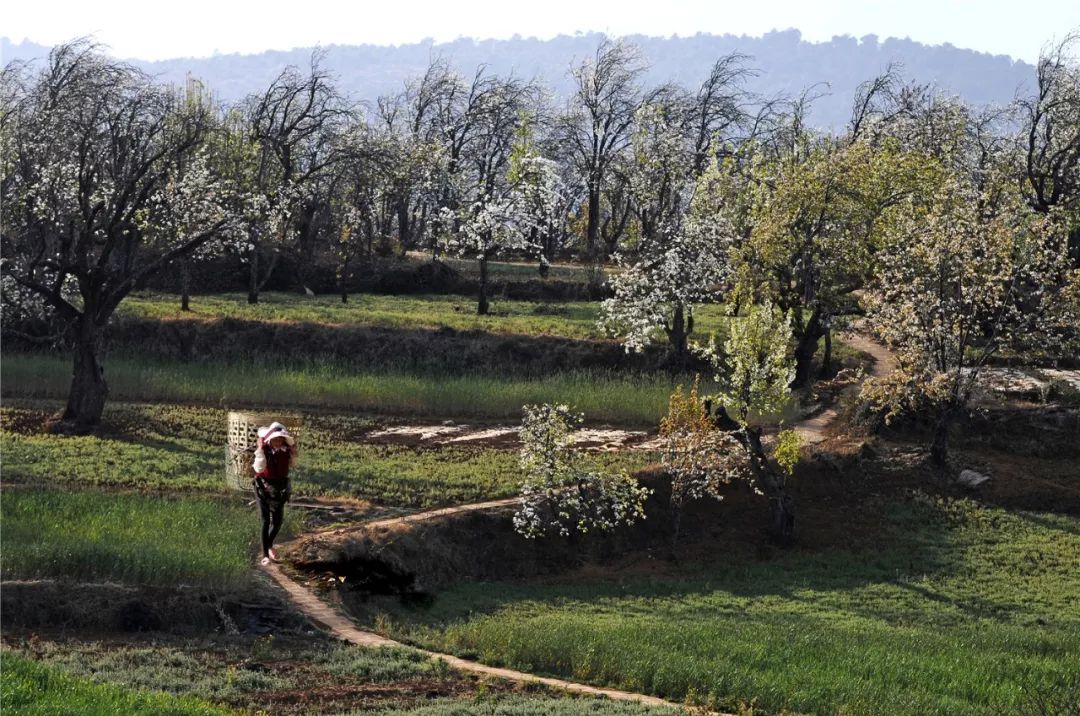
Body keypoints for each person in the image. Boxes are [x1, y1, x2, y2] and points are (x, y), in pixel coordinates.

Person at [252, 421, 297, 566]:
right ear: (270, 440)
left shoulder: (286, 452)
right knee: (265, 521)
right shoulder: (264, 451)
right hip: (263, 487)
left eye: (280, 439)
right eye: (275, 439)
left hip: (279, 488)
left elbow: (293, 464)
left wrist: (294, 453)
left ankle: (269, 544)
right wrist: (259, 449)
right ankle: (265, 555)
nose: (278, 442)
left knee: (277, 522)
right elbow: (259, 469)